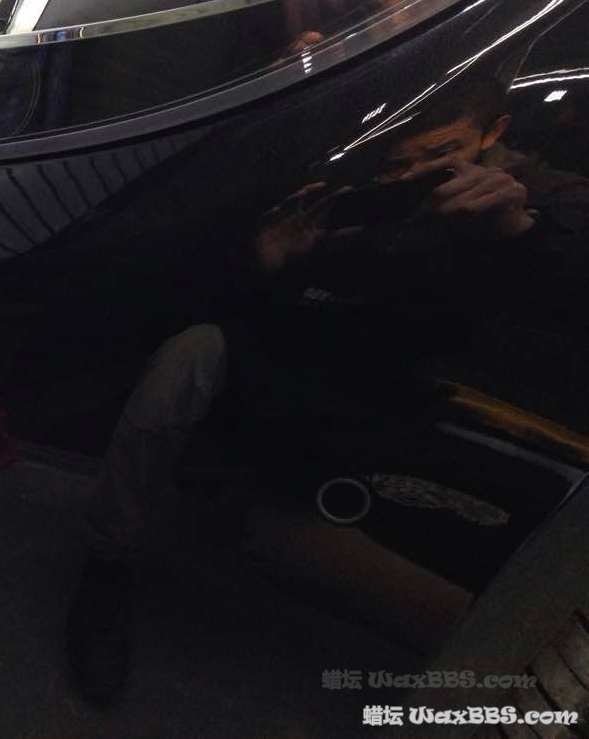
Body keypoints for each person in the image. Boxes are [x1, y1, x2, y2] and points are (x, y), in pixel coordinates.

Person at [64, 74, 589, 706]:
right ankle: (108, 564)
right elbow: (236, 309)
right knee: (191, 355)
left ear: (493, 133)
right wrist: (271, 266)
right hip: (312, 369)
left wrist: (519, 234)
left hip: (439, 401)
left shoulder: (539, 196)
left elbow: (558, 308)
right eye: (399, 160)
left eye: (441, 153)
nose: (415, 173)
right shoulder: (353, 183)